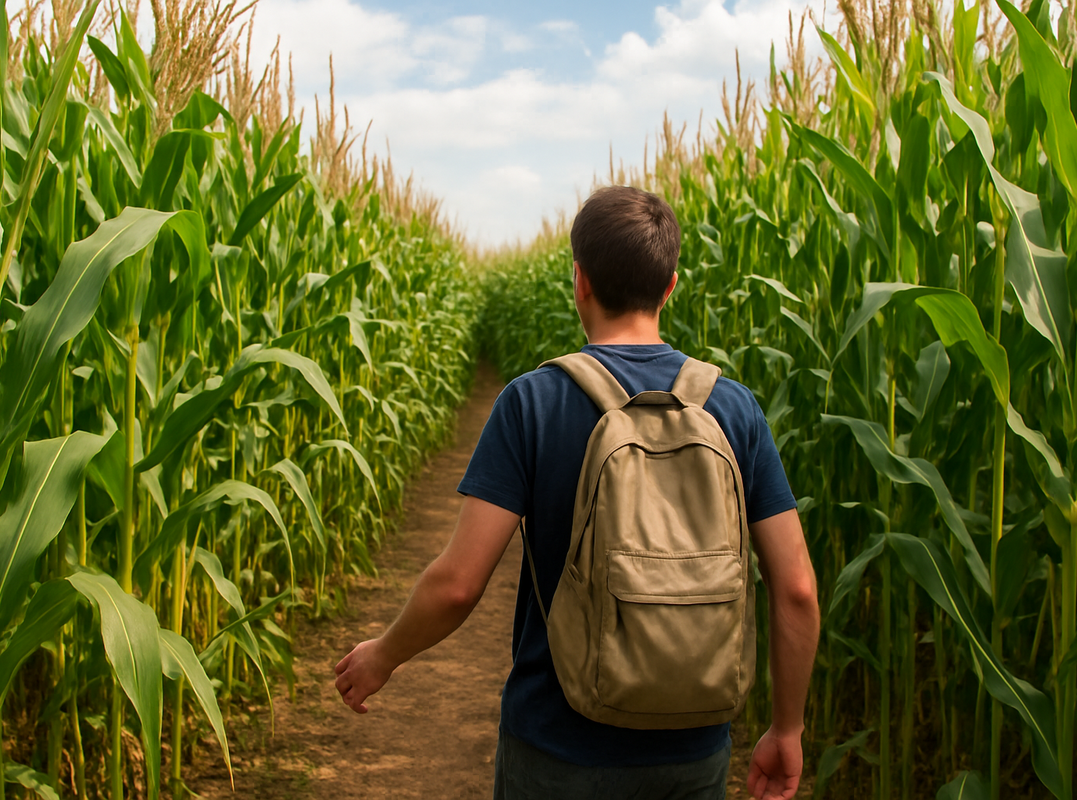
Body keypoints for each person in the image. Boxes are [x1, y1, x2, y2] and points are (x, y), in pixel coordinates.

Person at [335, 185, 820, 800]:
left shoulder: (532, 403)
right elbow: (797, 589)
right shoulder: (734, 408)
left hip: (557, 748)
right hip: (691, 751)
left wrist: (383, 656)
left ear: (579, 281)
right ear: (671, 286)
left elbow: (459, 583)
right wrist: (787, 727)